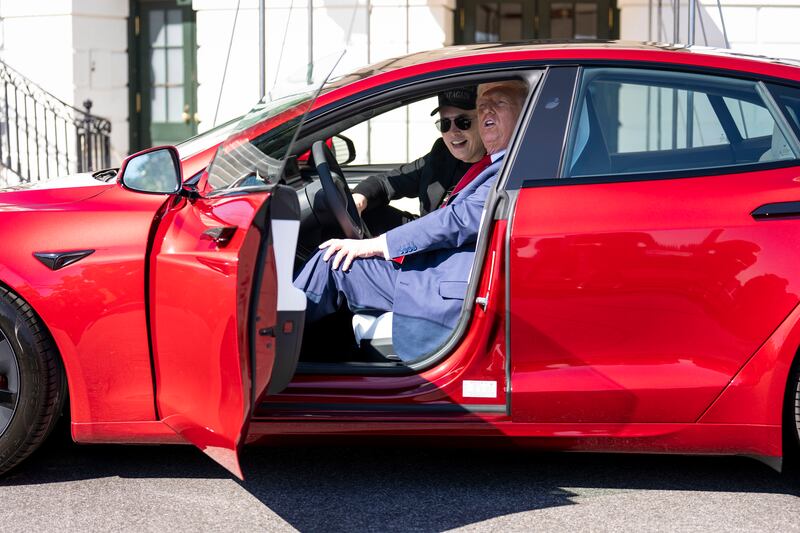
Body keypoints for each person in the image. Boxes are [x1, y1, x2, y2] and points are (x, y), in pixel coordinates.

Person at [294, 80, 529, 362]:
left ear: (525, 114)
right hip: (434, 265)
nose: (454, 131)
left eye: (498, 104)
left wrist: (378, 245)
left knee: (330, 261)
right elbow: (392, 181)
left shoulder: (512, 168)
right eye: (482, 107)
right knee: (349, 244)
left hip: (445, 283)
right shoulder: (474, 162)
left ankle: (265, 344)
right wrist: (360, 199)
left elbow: (457, 220)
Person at [351, 87, 485, 233]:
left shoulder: (498, 167)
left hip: (453, 247)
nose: (453, 132)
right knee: (368, 213)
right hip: (426, 236)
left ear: (484, 121)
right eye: (445, 123)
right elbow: (387, 182)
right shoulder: (441, 155)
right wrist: (359, 197)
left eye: (463, 122)